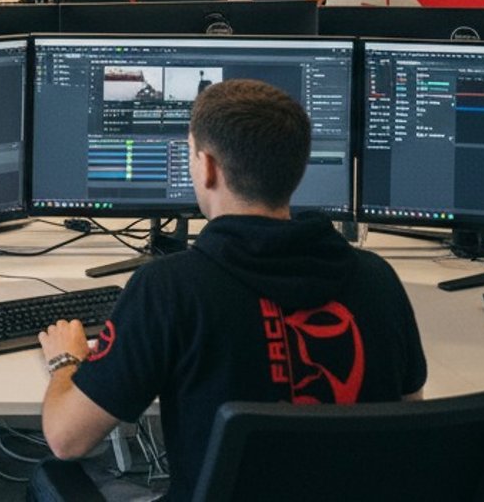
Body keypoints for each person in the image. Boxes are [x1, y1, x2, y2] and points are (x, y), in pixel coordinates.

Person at [34, 80, 426, 502]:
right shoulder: (377, 279)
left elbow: (66, 439)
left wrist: (65, 361)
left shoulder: (170, 288)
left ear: (207, 167)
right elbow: (407, 414)